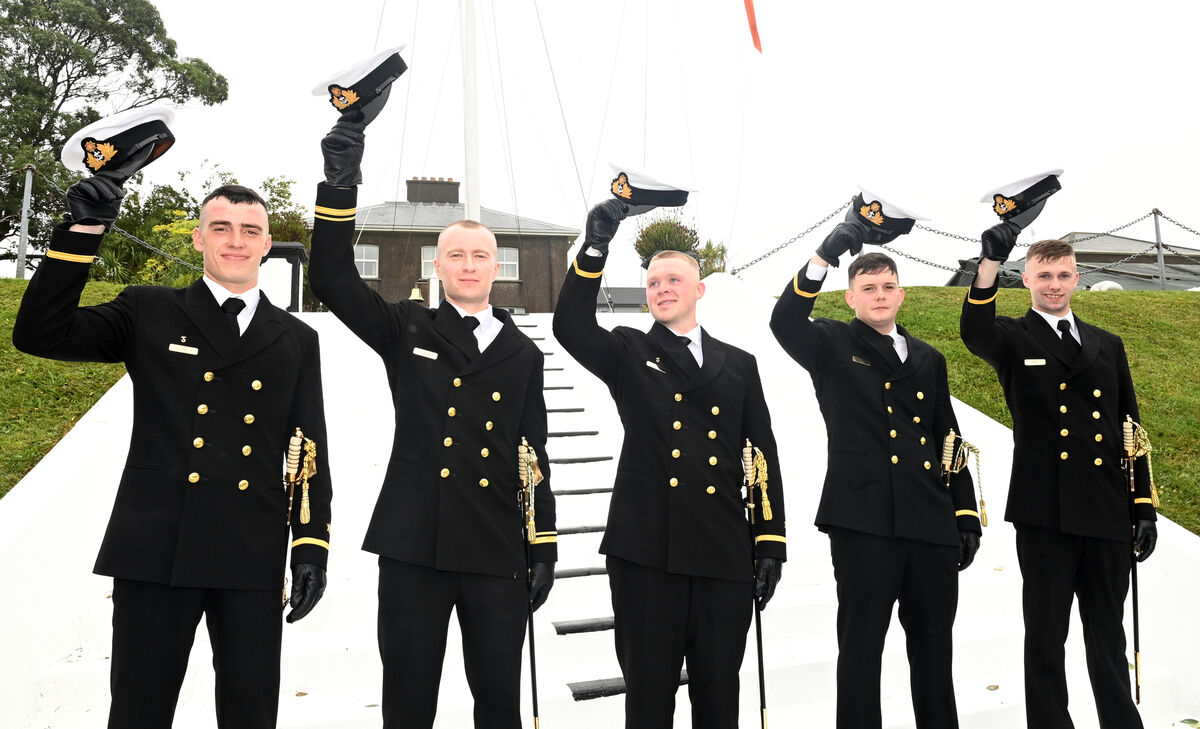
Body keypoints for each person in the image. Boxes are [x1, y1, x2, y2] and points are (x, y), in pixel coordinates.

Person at [12, 109, 332, 729]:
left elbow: (308, 446)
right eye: (221, 227)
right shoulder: (148, 311)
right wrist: (84, 228)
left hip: (251, 551)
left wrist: (310, 543)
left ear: (267, 244)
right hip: (157, 548)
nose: (236, 240)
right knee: (139, 712)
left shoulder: (296, 338)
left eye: (250, 230)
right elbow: (40, 333)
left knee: (250, 715)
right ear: (198, 239)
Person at [306, 51, 556, 729]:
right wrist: (342, 170)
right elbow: (330, 278)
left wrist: (544, 544)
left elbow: (532, 455)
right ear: (437, 265)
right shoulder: (406, 326)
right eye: (456, 255)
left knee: (499, 704)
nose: (469, 265)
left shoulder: (524, 354)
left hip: (496, 547)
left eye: (481, 255)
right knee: (408, 702)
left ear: (496, 266)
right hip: (413, 545)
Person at [552, 199, 786, 729]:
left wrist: (770, 539)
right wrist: (595, 246)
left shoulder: (739, 364)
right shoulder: (628, 350)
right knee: (649, 700)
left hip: (723, 551)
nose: (662, 288)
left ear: (699, 289)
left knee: (719, 698)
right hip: (646, 554)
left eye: (674, 279)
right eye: (653, 282)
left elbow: (761, 453)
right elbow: (570, 325)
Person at [770, 204, 981, 729]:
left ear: (901, 293)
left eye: (887, 287)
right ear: (851, 297)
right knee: (861, 651)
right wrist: (823, 256)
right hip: (863, 520)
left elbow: (948, 435)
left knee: (934, 653)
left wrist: (965, 514)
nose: (879, 295)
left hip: (930, 520)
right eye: (868, 288)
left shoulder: (929, 358)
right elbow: (784, 321)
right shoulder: (830, 342)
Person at [960, 228, 1157, 729]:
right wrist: (990, 261)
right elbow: (973, 329)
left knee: (1108, 634)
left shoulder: (1107, 344)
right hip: (1045, 512)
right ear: (1026, 279)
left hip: (1107, 509)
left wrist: (1143, 505)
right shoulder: (1011, 337)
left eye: (1063, 275)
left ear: (1077, 278)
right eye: (1044, 275)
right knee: (1047, 636)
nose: (1054, 284)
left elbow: (1130, 429)